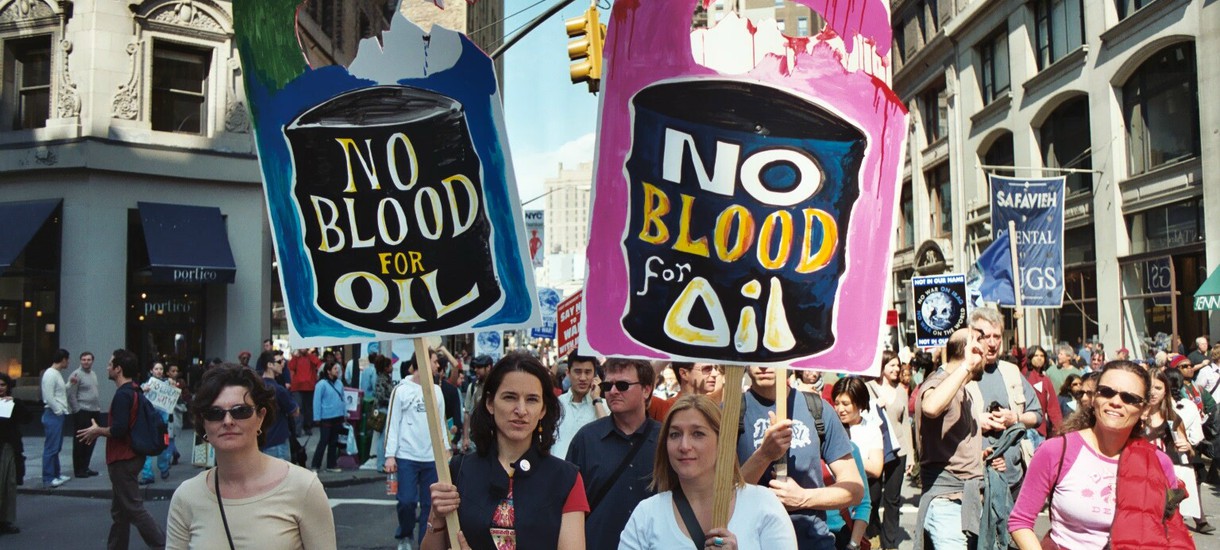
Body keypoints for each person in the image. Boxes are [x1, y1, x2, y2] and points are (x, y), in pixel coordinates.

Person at [1009, 361, 1193, 548]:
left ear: (1144, 409)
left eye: (1129, 398)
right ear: (1094, 397)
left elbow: (1171, 530)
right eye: (1106, 392)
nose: (1116, 402)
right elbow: (1020, 521)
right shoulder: (1056, 450)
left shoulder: (1158, 462)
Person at [423, 352, 589, 550]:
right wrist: (437, 516)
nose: (521, 410)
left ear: (543, 409)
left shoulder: (566, 479)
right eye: (510, 397)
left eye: (532, 400)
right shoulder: (459, 470)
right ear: (490, 403)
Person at [166, 365, 336, 549]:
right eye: (215, 413)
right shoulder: (186, 497)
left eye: (240, 411)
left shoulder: (303, 487)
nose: (228, 421)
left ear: (260, 417)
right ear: (203, 423)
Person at [620, 395, 797, 549]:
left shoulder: (763, 504)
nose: (684, 446)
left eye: (698, 434)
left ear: (722, 442)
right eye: (675, 434)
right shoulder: (646, 515)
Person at [738, 366, 863, 550]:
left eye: (773, 355)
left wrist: (803, 498)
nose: (764, 364)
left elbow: (855, 489)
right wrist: (764, 454)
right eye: (756, 357)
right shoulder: (730, 414)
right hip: (751, 542)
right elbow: (719, 495)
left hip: (813, 542)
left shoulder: (817, 409)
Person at [76, 349, 166, 550]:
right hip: (130, 456)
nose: (107, 367)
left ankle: (164, 546)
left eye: (110, 364)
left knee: (134, 508)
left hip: (123, 459)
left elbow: (119, 429)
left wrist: (97, 430)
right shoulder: (134, 390)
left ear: (118, 369)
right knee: (120, 512)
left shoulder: (123, 395)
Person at [566, 358, 661, 550]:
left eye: (623, 385)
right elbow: (567, 505)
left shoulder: (666, 439)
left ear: (646, 390)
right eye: (608, 386)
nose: (613, 391)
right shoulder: (586, 439)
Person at [913, 328, 988, 549]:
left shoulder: (963, 389)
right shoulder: (938, 381)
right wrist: (967, 366)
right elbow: (930, 407)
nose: (986, 360)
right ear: (970, 352)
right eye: (982, 353)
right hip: (947, 505)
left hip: (962, 502)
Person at [969, 308, 1043, 502]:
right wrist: (975, 421)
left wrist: (1015, 418)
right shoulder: (960, 374)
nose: (992, 343)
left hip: (1014, 480)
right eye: (986, 337)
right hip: (976, 483)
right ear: (973, 337)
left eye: (997, 336)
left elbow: (1037, 415)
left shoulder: (1011, 372)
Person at [384, 350, 447, 550]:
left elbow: (441, 423)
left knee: (430, 506)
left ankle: (423, 544)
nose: (437, 366)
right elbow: (392, 423)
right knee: (407, 501)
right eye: (434, 361)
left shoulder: (437, 391)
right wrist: (390, 456)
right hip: (406, 456)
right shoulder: (401, 390)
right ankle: (405, 534)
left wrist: (445, 449)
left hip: (431, 458)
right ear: (422, 361)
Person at [832, 377, 884, 548]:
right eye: (836, 403)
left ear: (860, 403)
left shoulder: (871, 429)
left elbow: (876, 468)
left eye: (846, 404)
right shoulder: (829, 428)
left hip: (861, 504)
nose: (840, 409)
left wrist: (848, 454)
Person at [554, 354, 607, 458]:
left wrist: (597, 400)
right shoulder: (556, 404)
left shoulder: (603, 405)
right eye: (577, 372)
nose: (583, 378)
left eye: (587, 372)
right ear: (568, 373)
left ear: (595, 375)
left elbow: (608, 435)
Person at [0, 373, 28, 535]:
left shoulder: (13, 403)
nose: (0, 388)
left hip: (8, 448)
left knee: (8, 484)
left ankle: (5, 520)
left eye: (3, 385)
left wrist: (15, 403)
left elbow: (27, 418)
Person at [259, 351, 300, 461]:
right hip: (278, 442)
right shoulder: (278, 390)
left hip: (260, 442)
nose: (283, 364)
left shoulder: (256, 387)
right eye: (279, 361)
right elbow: (295, 411)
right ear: (269, 365)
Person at [68, 351, 102, 478]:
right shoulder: (76, 374)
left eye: (88, 360)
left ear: (92, 361)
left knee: (91, 440)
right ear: (80, 361)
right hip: (82, 411)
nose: (86, 362)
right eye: (83, 360)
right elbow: (71, 394)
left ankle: (85, 466)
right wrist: (77, 410)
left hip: (94, 411)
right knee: (80, 441)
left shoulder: (93, 374)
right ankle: (79, 470)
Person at [40, 348, 72, 488]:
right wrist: (58, 410)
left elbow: (59, 391)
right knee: (51, 447)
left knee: (56, 446)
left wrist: (70, 384)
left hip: (56, 414)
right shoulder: (50, 374)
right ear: (63, 359)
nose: (68, 363)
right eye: (67, 360)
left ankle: (56, 474)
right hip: (53, 414)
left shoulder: (56, 373)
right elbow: (49, 396)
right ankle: (48, 478)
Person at [140, 362, 174, 484]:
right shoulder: (145, 385)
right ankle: (147, 475)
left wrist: (173, 385)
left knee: (164, 447)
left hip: (163, 424)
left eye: (161, 369)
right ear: (151, 370)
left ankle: (164, 468)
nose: (159, 371)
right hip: (149, 422)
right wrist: (143, 390)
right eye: (156, 368)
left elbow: (174, 397)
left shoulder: (168, 384)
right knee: (147, 448)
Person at [1021, 345, 1063, 440]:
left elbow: (1053, 408)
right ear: (1030, 357)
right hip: (1024, 429)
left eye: (1042, 356)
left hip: (1040, 432)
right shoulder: (1023, 374)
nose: (1039, 358)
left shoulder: (1046, 380)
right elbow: (1019, 356)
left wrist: (1059, 430)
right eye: (1036, 355)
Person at [311, 361, 346, 472]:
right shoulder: (321, 384)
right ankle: (315, 465)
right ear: (328, 371)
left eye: (337, 368)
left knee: (334, 442)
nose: (337, 370)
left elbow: (343, 399)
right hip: (326, 417)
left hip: (337, 416)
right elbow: (316, 401)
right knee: (323, 441)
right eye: (335, 368)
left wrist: (344, 413)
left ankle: (331, 465)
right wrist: (317, 417)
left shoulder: (339, 383)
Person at [459, 355, 494, 454]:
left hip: (494, 439)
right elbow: (467, 413)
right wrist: (466, 438)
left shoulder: (497, 386)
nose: (476, 370)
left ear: (488, 367)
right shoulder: (473, 386)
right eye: (475, 367)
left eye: (479, 367)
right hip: (475, 438)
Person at [288, 348, 320, 435]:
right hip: (298, 387)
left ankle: (307, 427)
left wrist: (308, 354)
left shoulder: (311, 356)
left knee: (307, 408)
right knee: (299, 408)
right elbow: (291, 367)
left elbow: (318, 363)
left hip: (309, 386)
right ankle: (298, 429)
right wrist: (295, 356)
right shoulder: (296, 357)